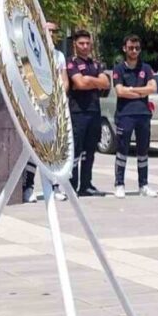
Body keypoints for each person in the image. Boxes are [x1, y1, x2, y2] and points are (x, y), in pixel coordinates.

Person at [21, 23, 69, 203]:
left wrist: (58, 97)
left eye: (53, 31)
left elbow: (64, 80)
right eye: (47, 30)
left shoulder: (59, 56)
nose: (50, 34)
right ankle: (28, 187)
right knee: (34, 148)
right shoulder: (31, 53)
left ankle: (55, 186)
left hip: (55, 108)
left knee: (53, 148)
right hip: (37, 106)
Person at [112, 34, 158, 198]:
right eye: (131, 48)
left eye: (137, 48)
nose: (134, 51)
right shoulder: (118, 68)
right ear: (125, 48)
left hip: (143, 115)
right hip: (125, 115)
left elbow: (153, 88)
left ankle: (143, 185)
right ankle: (119, 184)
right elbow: (120, 91)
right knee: (122, 150)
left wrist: (132, 90)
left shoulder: (146, 68)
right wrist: (141, 91)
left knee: (143, 151)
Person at [66, 29, 110, 196]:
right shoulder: (71, 63)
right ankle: (71, 186)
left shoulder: (96, 64)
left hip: (94, 111)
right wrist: (93, 82)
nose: (85, 47)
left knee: (89, 150)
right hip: (78, 111)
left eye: (87, 43)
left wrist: (89, 80)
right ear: (75, 45)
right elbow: (79, 83)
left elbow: (105, 83)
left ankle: (86, 185)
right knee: (76, 150)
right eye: (81, 44)